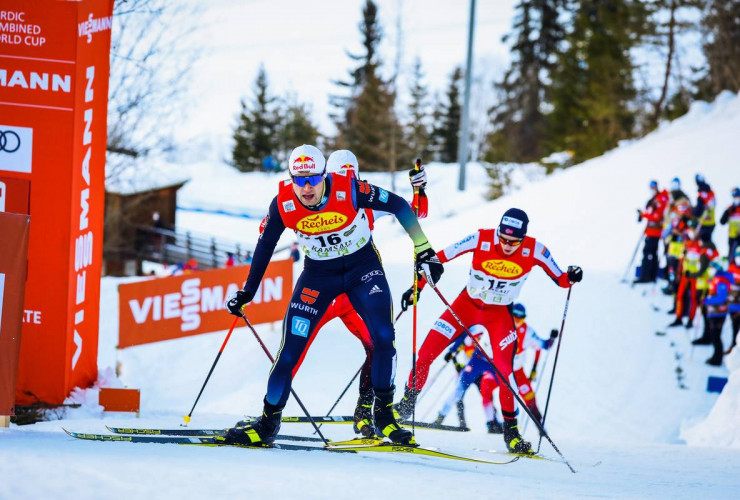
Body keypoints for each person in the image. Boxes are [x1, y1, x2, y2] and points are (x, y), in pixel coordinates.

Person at [220, 144, 444, 446]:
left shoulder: (351, 190)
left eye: (313, 178)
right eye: (299, 180)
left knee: (382, 338)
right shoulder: (283, 203)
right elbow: (265, 247)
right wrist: (247, 291)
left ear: (325, 175)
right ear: (290, 179)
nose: (307, 186)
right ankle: (267, 425)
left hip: (361, 271)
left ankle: (384, 418)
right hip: (318, 278)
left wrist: (424, 249)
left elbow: (402, 207)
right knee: (288, 353)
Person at [394, 208, 582, 454]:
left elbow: (561, 279)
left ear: (523, 238)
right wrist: (415, 288)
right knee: (427, 352)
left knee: (506, 373)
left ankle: (511, 433)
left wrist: (572, 275)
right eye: (502, 238)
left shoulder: (536, 250)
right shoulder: (480, 238)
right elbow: (436, 259)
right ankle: (405, 406)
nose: (506, 245)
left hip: (499, 314)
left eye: (513, 242)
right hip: (466, 306)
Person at [285, 149, 429, 438]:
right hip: (323, 291)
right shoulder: (312, 197)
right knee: (294, 350)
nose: (346, 181)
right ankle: (271, 410)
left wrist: (419, 190)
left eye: (352, 176)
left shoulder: (361, 197)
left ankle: (366, 413)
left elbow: (413, 212)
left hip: (355, 292)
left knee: (378, 347)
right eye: (341, 176)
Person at [635, 180, 669, 284]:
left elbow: (656, 216)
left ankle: (647, 276)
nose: (652, 189)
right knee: (651, 253)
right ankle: (650, 275)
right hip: (651, 231)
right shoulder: (655, 199)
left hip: (655, 232)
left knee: (648, 253)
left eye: (653, 186)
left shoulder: (660, 199)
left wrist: (644, 215)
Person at [703, 263, 732, 366]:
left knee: (716, 336)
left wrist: (708, 300)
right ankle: (715, 356)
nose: (710, 270)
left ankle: (717, 358)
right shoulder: (716, 279)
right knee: (714, 335)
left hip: (719, 313)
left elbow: (721, 298)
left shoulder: (722, 282)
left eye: (712, 268)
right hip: (714, 312)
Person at [692, 174, 716, 243]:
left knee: (703, 242)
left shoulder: (701, 194)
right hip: (712, 221)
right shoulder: (711, 193)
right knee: (708, 240)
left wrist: (693, 212)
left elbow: (698, 210)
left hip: (703, 222)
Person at [719, 187, 740, 257]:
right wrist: (727, 212)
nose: (736, 198)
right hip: (732, 237)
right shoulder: (730, 209)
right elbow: (722, 222)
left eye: (737, 196)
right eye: (734, 197)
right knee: (731, 256)